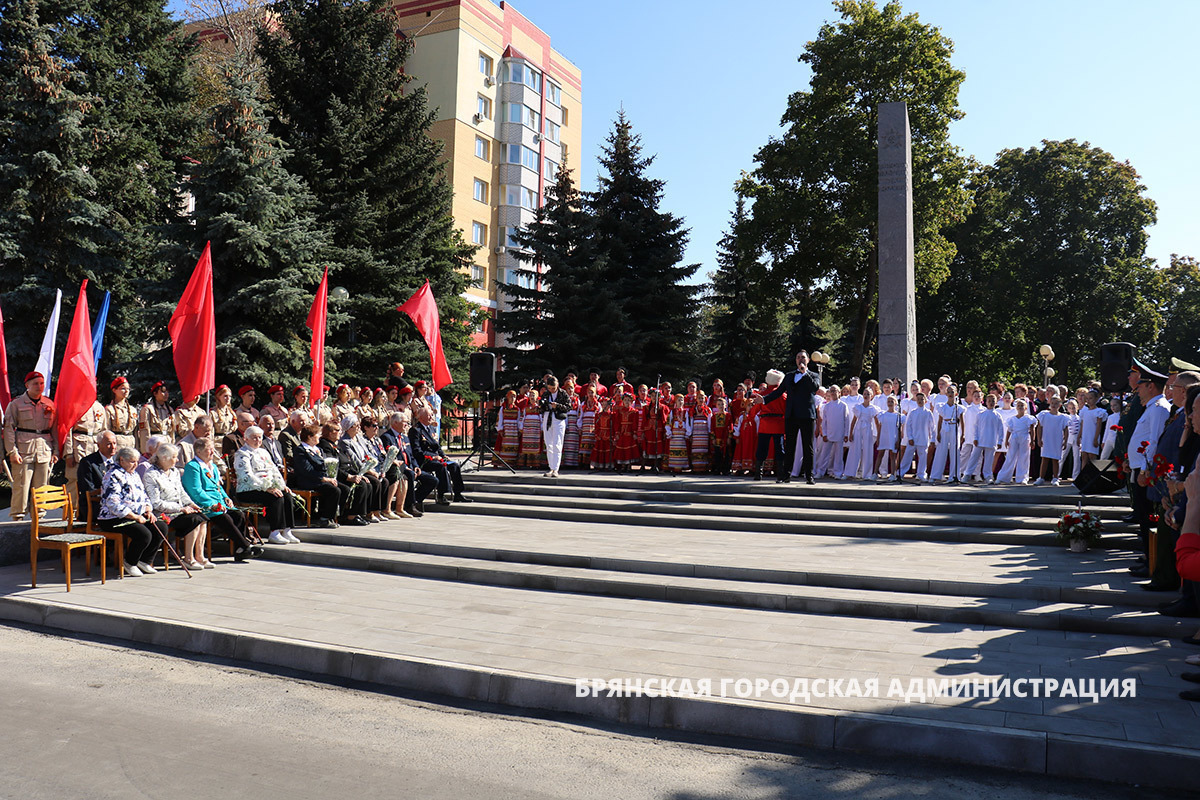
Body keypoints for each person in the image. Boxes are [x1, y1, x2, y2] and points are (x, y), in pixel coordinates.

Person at [181, 437, 262, 562]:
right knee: (224, 518)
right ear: (198, 451)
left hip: (220, 502)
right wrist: (213, 503)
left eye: (213, 449)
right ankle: (245, 546)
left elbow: (218, 486)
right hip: (204, 504)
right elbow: (195, 491)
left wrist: (226, 498)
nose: (213, 453)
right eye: (209, 450)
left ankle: (239, 551)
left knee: (238, 514)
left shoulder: (212, 466)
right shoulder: (193, 467)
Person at [97, 446, 167, 576]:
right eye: (132, 461)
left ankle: (145, 560)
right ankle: (130, 562)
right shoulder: (113, 475)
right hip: (113, 517)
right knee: (144, 534)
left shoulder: (134, 474)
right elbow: (113, 503)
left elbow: (144, 495)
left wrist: (147, 509)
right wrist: (134, 516)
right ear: (122, 460)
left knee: (161, 527)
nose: (135, 465)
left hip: (136, 513)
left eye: (137, 462)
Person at [143, 444, 211, 570]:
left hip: (179, 510)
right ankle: (188, 558)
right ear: (164, 458)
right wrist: (180, 508)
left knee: (202, 517)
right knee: (194, 520)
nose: (177, 460)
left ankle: (199, 556)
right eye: (174, 457)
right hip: (164, 514)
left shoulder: (174, 472)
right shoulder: (151, 475)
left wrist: (191, 504)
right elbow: (156, 503)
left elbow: (181, 492)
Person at [760, 352, 822, 484]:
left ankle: (809, 475)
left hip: (807, 416)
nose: (800, 359)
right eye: (798, 357)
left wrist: (805, 373)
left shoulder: (814, 375)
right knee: (790, 446)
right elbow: (778, 392)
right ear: (795, 360)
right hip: (791, 415)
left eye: (803, 357)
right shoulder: (789, 376)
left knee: (808, 446)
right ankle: (785, 475)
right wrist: (764, 399)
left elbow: (815, 388)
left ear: (808, 360)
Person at [3, 372, 57, 521]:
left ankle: (39, 517)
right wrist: (12, 451)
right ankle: (18, 517)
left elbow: (54, 430)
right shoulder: (16, 404)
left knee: (42, 486)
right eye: (35, 384)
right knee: (21, 485)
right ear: (27, 386)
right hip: (23, 450)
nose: (39, 387)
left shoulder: (49, 404)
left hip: (44, 449)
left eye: (41, 383)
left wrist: (56, 451)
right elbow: (8, 429)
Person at [234, 426, 299, 545]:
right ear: (246, 439)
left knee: (287, 495)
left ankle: (287, 530)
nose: (257, 440)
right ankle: (274, 532)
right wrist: (266, 488)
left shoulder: (263, 452)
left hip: (267, 487)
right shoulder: (242, 454)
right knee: (275, 497)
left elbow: (274, 470)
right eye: (254, 438)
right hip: (248, 490)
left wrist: (282, 485)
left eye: (259, 437)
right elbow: (246, 476)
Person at [287, 424, 344, 528]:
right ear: (310, 437)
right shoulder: (301, 450)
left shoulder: (318, 450)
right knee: (334, 490)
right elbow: (306, 470)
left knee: (343, 488)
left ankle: (333, 516)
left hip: (321, 480)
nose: (320, 436)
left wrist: (330, 477)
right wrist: (323, 479)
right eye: (318, 434)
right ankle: (324, 519)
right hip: (308, 480)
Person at [410, 407, 471, 503]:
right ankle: (441, 495)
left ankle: (458, 493)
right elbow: (417, 451)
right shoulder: (415, 430)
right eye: (429, 415)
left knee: (454, 465)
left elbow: (436, 446)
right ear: (421, 417)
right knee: (441, 466)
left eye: (431, 415)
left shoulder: (430, 429)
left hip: (436, 458)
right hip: (424, 460)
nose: (431, 417)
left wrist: (443, 455)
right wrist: (433, 457)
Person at [63, 395, 106, 516]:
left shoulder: (99, 407)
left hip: (95, 446)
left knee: (95, 481)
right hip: (79, 447)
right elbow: (68, 431)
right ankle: (70, 513)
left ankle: (88, 513)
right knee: (74, 480)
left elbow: (104, 430)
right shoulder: (75, 406)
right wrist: (69, 453)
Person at [319, 421, 368, 525]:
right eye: (337, 430)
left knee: (364, 483)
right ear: (330, 433)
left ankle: (356, 514)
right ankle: (346, 516)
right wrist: (348, 477)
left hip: (346, 472)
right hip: (337, 475)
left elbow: (348, 462)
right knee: (352, 487)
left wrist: (358, 475)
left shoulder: (336, 445)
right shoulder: (325, 445)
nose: (340, 432)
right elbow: (332, 465)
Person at [339, 416, 384, 523]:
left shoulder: (359, 438)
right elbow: (355, 460)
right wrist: (368, 471)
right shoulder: (345, 441)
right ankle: (365, 513)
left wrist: (373, 467)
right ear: (349, 428)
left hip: (367, 467)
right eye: (356, 425)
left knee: (383, 481)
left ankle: (374, 511)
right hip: (357, 470)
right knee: (372, 482)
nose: (359, 427)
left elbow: (367, 453)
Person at [77, 431, 118, 517]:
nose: (113, 447)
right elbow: (88, 489)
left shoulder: (119, 460)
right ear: (99, 445)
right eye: (109, 444)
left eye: (114, 443)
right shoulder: (88, 462)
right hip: (95, 505)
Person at [843, 385, 879, 481]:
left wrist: (879, 435)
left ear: (872, 396)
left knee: (868, 450)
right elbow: (854, 421)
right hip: (858, 429)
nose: (866, 395)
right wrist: (850, 433)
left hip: (868, 429)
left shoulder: (873, 408)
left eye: (868, 394)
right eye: (865, 394)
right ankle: (849, 472)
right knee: (854, 449)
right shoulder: (858, 407)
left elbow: (877, 422)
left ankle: (866, 473)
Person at [539, 376, 572, 478]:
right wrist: (543, 405)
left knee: (557, 444)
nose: (551, 390)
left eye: (553, 388)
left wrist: (557, 406)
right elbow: (541, 408)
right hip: (548, 418)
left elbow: (568, 407)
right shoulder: (546, 394)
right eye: (549, 388)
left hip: (558, 419)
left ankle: (556, 469)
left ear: (557, 385)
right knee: (548, 444)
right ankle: (551, 467)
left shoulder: (563, 393)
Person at [997, 399, 1037, 484]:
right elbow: (1009, 430)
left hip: (1025, 437)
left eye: (1022, 405)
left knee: (1024, 457)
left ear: (1025, 407)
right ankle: (1003, 477)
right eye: (1018, 406)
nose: (1020, 407)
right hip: (1014, 437)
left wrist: (1033, 440)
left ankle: (1022, 478)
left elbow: (1032, 429)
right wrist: (1006, 440)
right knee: (1010, 456)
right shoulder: (1012, 419)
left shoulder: (1029, 418)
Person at [898, 392, 935, 482]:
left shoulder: (928, 413)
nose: (920, 401)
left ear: (925, 401)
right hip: (913, 439)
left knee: (922, 457)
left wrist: (932, 439)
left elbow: (932, 427)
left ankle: (921, 474)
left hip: (923, 438)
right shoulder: (913, 412)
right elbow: (908, 426)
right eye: (918, 399)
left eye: (922, 399)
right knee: (907, 456)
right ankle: (901, 473)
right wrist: (910, 437)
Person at [972, 393, 1005, 483]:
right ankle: (967, 474)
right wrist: (975, 438)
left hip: (991, 441)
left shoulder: (998, 415)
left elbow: (1001, 429)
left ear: (996, 402)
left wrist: (1000, 441)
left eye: (993, 401)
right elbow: (976, 427)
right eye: (989, 401)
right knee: (974, 458)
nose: (991, 403)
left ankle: (988, 476)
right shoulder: (981, 414)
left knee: (989, 460)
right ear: (986, 402)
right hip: (980, 440)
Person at [138, 381, 175, 453]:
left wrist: (172, 444)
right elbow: (144, 432)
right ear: (155, 393)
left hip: (167, 442)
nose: (166, 394)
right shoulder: (148, 409)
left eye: (167, 392)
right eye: (163, 392)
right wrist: (146, 450)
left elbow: (172, 431)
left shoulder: (169, 409)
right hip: (154, 444)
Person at [105, 377, 137, 450]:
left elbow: (136, 431)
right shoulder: (109, 409)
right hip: (117, 445)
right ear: (114, 390)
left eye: (128, 389)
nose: (126, 391)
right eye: (123, 388)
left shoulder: (132, 410)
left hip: (131, 443)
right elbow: (106, 430)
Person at [875, 395, 901, 481]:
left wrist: (898, 440)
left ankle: (893, 474)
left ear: (896, 403)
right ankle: (875, 473)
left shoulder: (898, 416)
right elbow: (880, 427)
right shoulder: (883, 414)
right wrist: (878, 438)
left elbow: (899, 429)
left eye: (892, 401)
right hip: (884, 437)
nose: (890, 403)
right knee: (880, 454)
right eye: (888, 401)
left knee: (892, 455)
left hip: (893, 437)